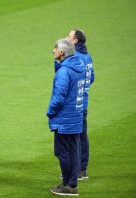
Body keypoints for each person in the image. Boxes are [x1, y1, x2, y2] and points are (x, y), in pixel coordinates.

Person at [47, 39, 85, 196]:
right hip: (75, 116)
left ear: (62, 52)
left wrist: (50, 111)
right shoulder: (78, 67)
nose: (53, 51)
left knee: (63, 152)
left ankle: (69, 186)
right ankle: (72, 184)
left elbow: (59, 96)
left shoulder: (64, 71)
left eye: (55, 48)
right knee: (73, 151)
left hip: (64, 118)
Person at [67, 29, 95, 180]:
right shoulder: (87, 56)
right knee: (82, 136)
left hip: (74, 104)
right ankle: (82, 170)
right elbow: (91, 78)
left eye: (69, 36)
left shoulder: (74, 57)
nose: (66, 37)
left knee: (74, 138)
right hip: (83, 102)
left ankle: (77, 171)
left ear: (75, 41)